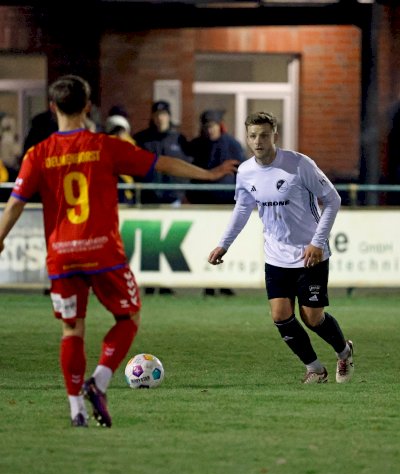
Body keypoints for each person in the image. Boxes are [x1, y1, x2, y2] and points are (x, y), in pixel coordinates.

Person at [0, 74, 237, 428]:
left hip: (62, 256)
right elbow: (161, 164)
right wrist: (208, 174)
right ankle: (100, 381)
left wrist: (0, 236)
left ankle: (75, 411)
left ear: (53, 109)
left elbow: (15, 204)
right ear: (87, 106)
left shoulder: (38, 154)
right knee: (128, 318)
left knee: (72, 330)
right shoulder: (104, 146)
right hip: (103, 253)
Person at [208, 111, 354, 384]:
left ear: (275, 135)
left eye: (264, 135)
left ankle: (343, 352)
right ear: (247, 138)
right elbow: (242, 209)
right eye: (253, 136)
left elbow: (332, 200)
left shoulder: (299, 165)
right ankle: (314, 368)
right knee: (280, 315)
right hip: (276, 255)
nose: (258, 141)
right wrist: (223, 244)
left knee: (312, 317)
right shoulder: (246, 171)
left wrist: (317, 242)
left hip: (310, 253)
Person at [133, 100, 193, 296]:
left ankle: (165, 283)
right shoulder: (142, 139)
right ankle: (151, 284)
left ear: (169, 116)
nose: (160, 118)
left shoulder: (179, 139)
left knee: (169, 241)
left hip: (171, 199)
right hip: (150, 198)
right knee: (151, 241)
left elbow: (187, 166)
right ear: (152, 117)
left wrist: (180, 190)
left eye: (163, 114)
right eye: (157, 115)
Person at [187, 109, 246, 297]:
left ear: (219, 125)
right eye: (207, 127)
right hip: (204, 205)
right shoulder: (196, 145)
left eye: (212, 126)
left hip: (225, 205)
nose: (210, 130)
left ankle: (224, 282)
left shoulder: (233, 146)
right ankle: (209, 284)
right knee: (207, 244)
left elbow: (244, 174)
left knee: (226, 244)